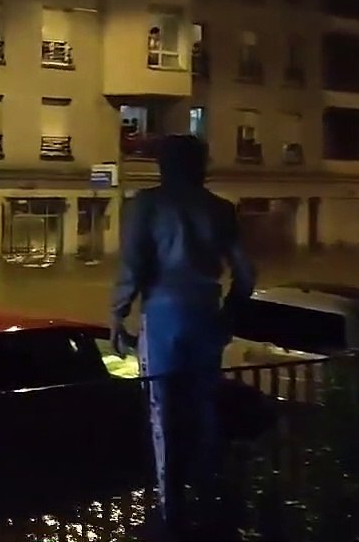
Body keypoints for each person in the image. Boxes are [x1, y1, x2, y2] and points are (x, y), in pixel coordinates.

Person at [110, 134, 255, 535]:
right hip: (206, 313)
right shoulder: (221, 209)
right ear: (200, 165)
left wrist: (117, 315)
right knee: (204, 404)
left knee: (163, 408)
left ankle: (171, 506)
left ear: (165, 166)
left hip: (163, 315)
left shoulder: (147, 205)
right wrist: (229, 315)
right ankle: (210, 495)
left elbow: (132, 266)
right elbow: (245, 273)